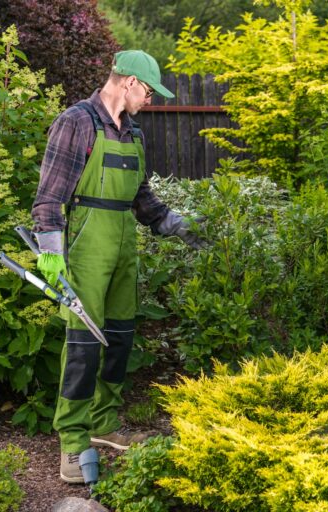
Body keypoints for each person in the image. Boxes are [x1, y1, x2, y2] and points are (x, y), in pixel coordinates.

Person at [31, 50, 202, 483]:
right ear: (127, 82)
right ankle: (72, 440)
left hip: (125, 242)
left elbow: (141, 199)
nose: (149, 99)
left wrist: (178, 225)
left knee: (120, 338)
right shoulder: (78, 123)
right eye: (147, 90)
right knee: (84, 345)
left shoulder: (134, 133)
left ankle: (104, 424)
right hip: (88, 246)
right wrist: (50, 251)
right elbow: (50, 197)